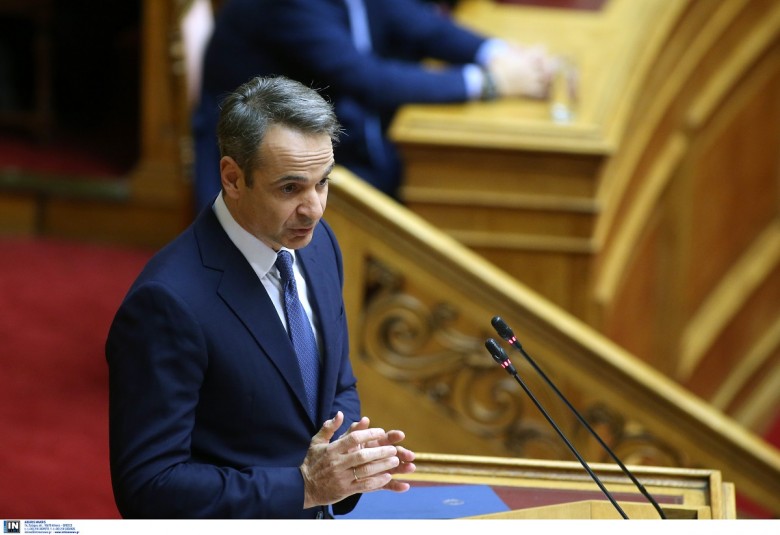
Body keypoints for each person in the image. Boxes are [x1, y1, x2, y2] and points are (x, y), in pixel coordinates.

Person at [106, 74, 416, 519]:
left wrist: (349, 464)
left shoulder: (320, 246)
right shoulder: (167, 303)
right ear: (233, 178)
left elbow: (338, 384)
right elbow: (148, 488)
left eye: (322, 182)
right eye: (290, 188)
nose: (314, 209)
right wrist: (304, 487)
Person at [191, 0, 558, 212]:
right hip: (268, 164)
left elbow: (419, 25)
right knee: (443, 181)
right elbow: (366, 79)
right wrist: (491, 83)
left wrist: (500, 54)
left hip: (329, 139)